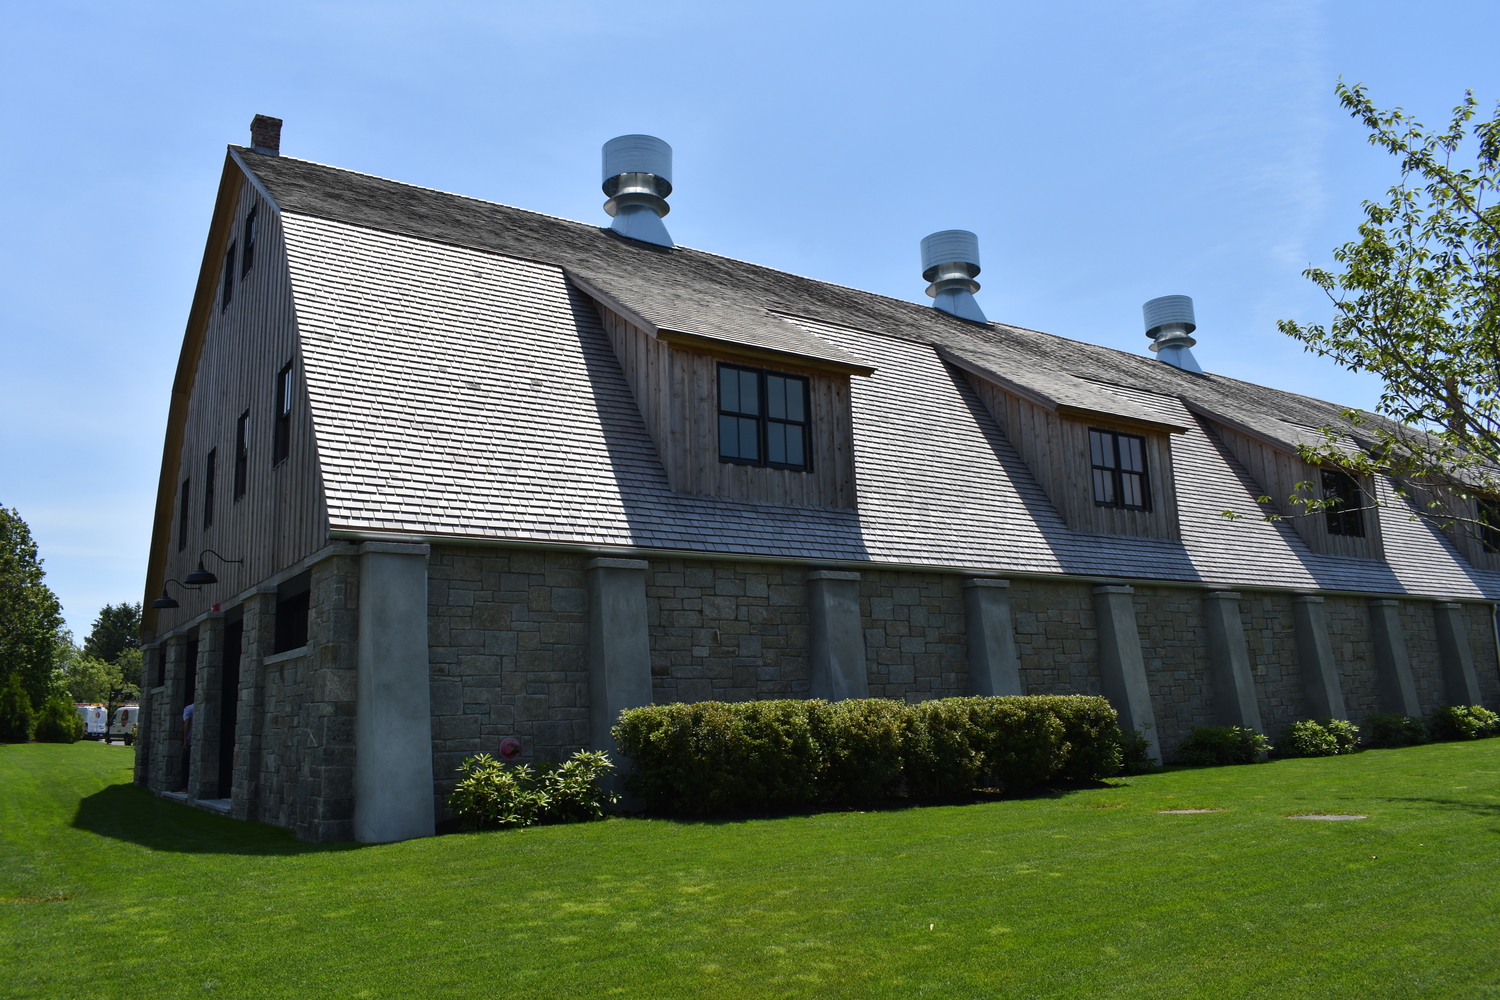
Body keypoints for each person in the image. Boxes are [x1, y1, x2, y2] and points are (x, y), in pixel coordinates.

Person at [180, 702, 195, 792]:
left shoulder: (188, 709)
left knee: (185, 764)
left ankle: (184, 786)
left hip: (190, 741)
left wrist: (185, 741)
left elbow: (187, 722)